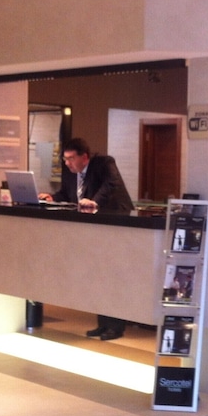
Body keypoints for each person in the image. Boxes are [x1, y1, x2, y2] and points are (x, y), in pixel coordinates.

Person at [39, 137, 134, 340]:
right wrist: (51, 197)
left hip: (115, 223)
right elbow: (66, 194)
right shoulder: (70, 173)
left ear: (84, 157)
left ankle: (116, 327)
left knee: (112, 276)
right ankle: (103, 324)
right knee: (98, 275)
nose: (68, 163)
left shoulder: (104, 163)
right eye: (65, 159)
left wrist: (95, 201)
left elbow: (111, 184)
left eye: (71, 158)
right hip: (94, 230)